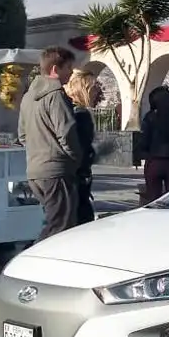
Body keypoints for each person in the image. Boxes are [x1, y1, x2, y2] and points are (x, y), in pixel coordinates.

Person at [18, 46, 82, 242]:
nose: (71, 73)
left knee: (55, 221)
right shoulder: (55, 94)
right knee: (60, 227)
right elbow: (67, 132)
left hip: (36, 171)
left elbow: (22, 135)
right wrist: (75, 158)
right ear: (55, 69)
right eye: (68, 68)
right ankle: (30, 263)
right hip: (56, 171)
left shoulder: (28, 97)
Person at [64, 70, 104, 225]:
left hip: (69, 172)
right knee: (82, 216)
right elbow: (81, 146)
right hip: (78, 174)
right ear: (84, 89)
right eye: (94, 87)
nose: (97, 92)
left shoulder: (67, 110)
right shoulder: (81, 115)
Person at [138, 86, 169, 201]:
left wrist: (145, 154)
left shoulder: (150, 117)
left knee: (153, 198)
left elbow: (144, 140)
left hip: (154, 160)